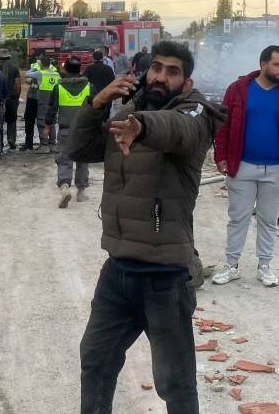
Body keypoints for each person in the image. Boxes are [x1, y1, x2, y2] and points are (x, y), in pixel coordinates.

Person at [67, 41, 225, 414]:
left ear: (186, 82)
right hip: (118, 270)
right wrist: (96, 104)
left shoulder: (196, 113)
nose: (161, 76)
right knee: (96, 361)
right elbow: (77, 149)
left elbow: (176, 131)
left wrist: (141, 126)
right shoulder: (127, 112)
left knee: (175, 382)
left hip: (166, 277)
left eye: (172, 72)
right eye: (156, 68)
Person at [212, 45, 279, 287]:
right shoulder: (238, 90)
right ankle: (231, 266)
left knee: (269, 219)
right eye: (278, 64)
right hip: (242, 166)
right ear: (263, 65)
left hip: (278, 169)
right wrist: (221, 156)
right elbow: (223, 126)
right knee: (238, 218)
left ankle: (264, 266)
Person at [44, 57, 91, 208]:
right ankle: (81, 192)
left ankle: (65, 187)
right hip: (84, 130)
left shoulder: (59, 87)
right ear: (79, 70)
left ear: (67, 70)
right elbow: (97, 107)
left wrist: (46, 126)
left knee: (64, 159)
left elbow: (51, 109)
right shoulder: (89, 86)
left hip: (65, 130)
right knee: (83, 159)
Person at [21, 55, 58, 151]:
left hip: (41, 99)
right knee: (52, 122)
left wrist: (34, 67)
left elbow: (26, 74)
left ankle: (44, 145)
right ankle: (52, 144)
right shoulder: (56, 73)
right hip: (52, 100)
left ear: (41, 64)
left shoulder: (40, 73)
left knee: (41, 122)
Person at [0, 49, 22, 150]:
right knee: (11, 121)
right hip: (11, 99)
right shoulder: (14, 69)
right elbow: (18, 85)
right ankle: (11, 141)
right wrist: (16, 98)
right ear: (9, 58)